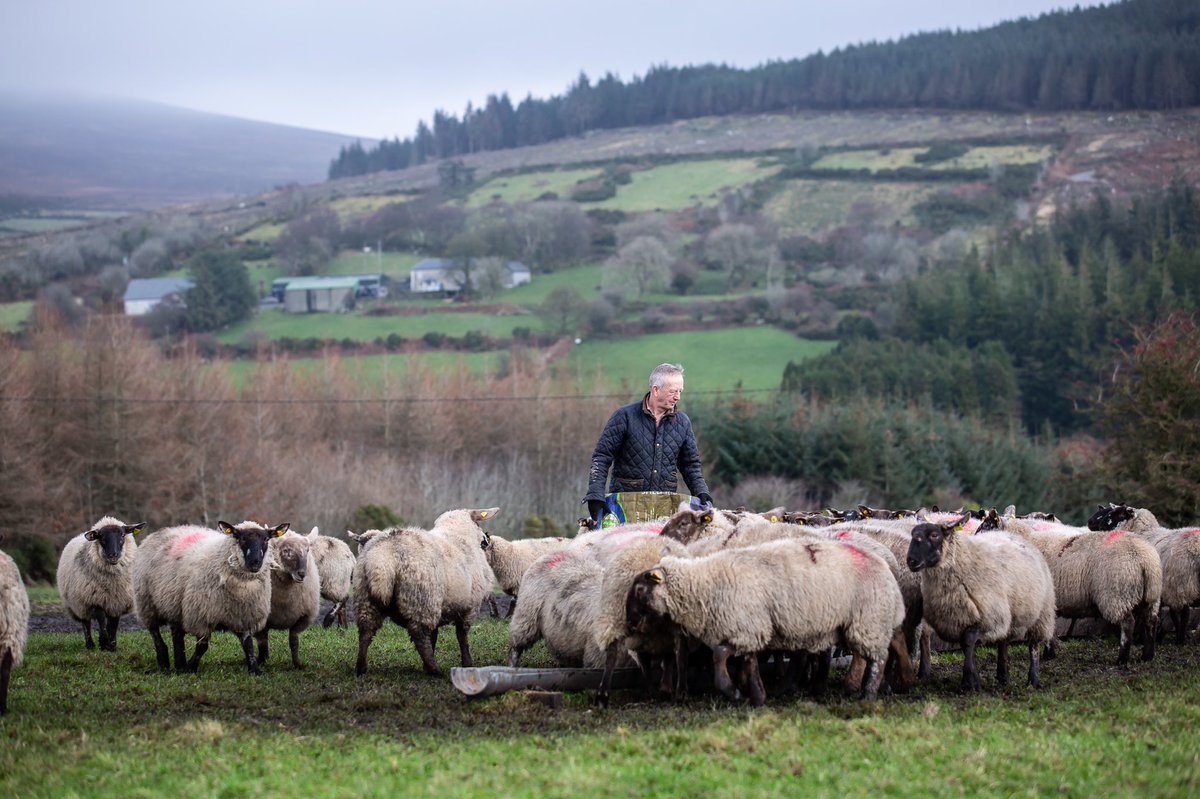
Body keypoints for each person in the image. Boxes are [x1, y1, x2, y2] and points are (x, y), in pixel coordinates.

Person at [583, 363, 713, 524]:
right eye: (673, 391)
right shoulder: (624, 416)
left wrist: (702, 492)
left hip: (664, 509)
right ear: (656, 390)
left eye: (680, 391)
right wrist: (595, 494)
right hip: (624, 507)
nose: (678, 397)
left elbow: (690, 465)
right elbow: (602, 457)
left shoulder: (683, 423)